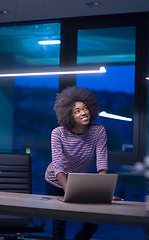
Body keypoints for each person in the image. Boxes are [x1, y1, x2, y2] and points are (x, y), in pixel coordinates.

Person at [45, 86, 110, 240]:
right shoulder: (58, 133)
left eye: (85, 108)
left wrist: (103, 192)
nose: (83, 112)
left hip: (79, 183)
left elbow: (101, 163)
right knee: (59, 224)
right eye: (77, 111)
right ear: (68, 115)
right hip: (55, 181)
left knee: (91, 224)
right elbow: (58, 167)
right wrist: (69, 191)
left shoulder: (98, 131)